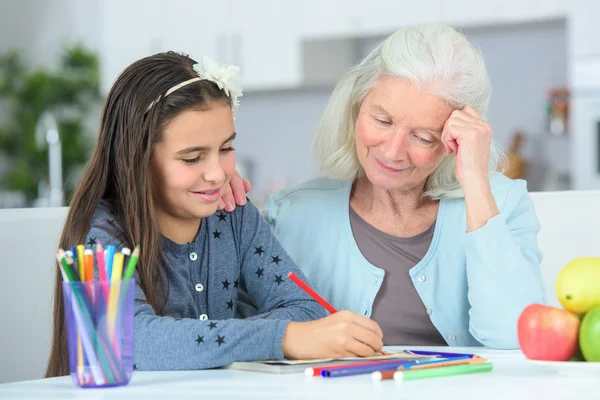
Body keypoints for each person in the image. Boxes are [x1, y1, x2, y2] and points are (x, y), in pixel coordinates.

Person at [45, 52, 385, 376]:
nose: (217, 174)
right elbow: (127, 341)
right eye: (192, 158)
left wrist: (223, 341)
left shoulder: (232, 214)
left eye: (226, 149)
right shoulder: (102, 234)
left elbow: (307, 310)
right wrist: (281, 337)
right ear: (137, 159)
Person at [223, 25, 547, 349]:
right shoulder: (291, 214)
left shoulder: (500, 203)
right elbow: (237, 334)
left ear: (456, 140)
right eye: (382, 121)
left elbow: (513, 337)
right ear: (356, 107)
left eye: (423, 137)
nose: (392, 152)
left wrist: (476, 181)